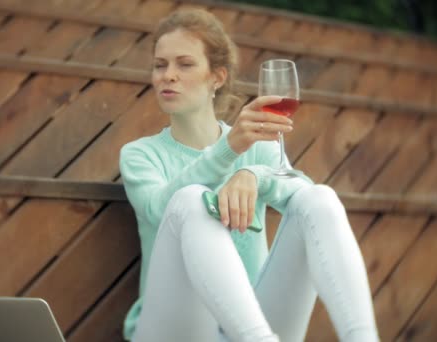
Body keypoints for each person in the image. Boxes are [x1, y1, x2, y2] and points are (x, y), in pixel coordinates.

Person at [119, 8, 379, 342]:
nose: (168, 75)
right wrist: (228, 149)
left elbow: (306, 197)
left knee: (320, 196)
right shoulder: (140, 155)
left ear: (217, 77)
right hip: (176, 330)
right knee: (190, 200)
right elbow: (157, 210)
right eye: (160, 65)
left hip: (250, 319)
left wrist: (253, 175)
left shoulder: (254, 147)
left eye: (184, 64)